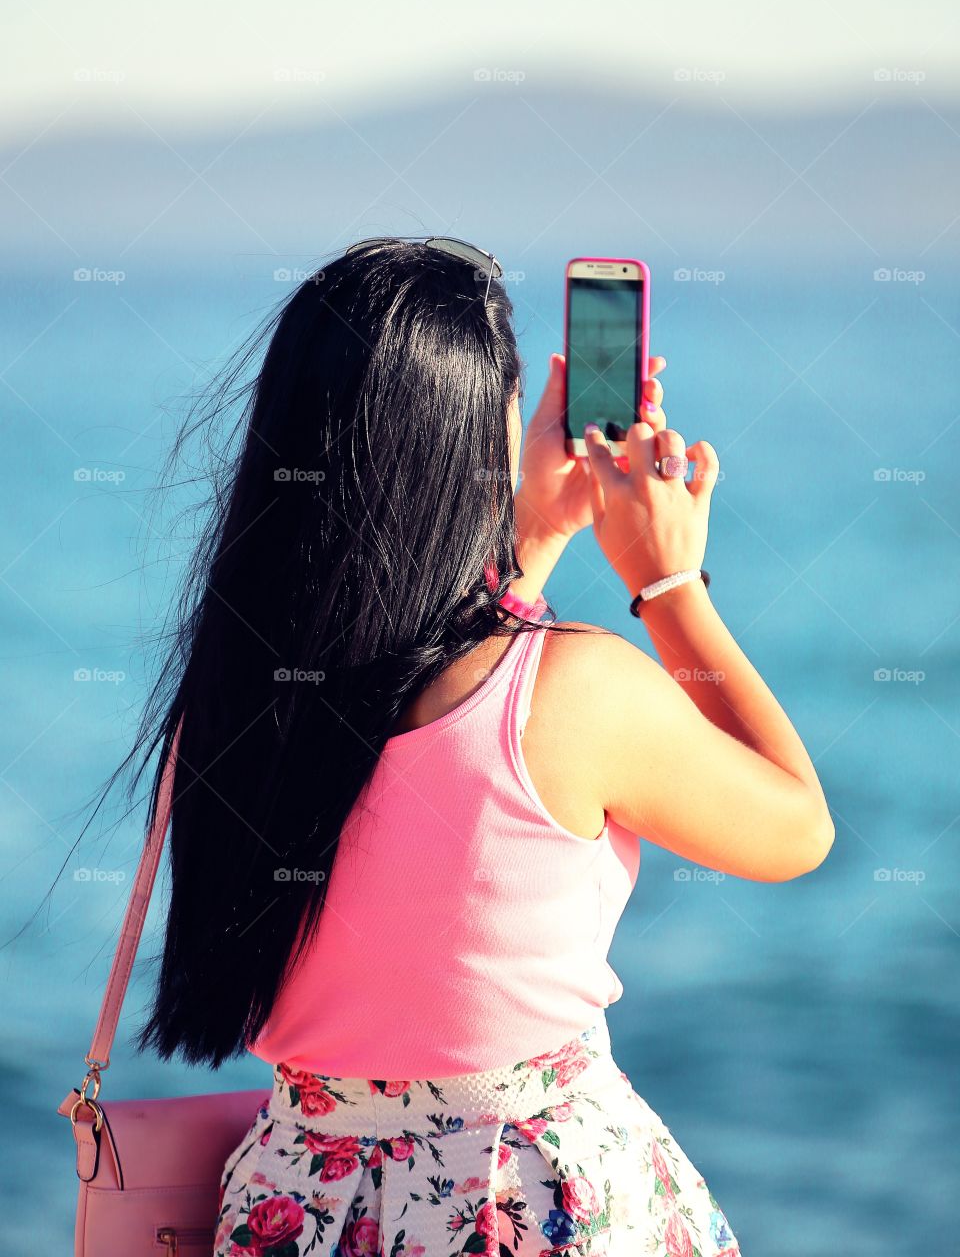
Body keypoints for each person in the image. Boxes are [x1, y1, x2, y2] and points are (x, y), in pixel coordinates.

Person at [130, 237, 833, 1256]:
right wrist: (669, 586)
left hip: (300, 1203)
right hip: (524, 1201)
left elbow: (416, 692)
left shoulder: (235, 700)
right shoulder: (579, 688)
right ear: (477, 441)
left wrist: (532, 536)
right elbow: (797, 826)